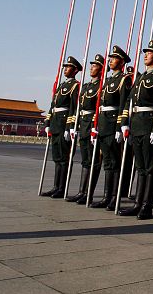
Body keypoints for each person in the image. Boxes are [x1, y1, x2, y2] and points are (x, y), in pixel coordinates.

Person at [118, 40, 153, 219]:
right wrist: (125, 122)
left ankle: (146, 205)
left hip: (149, 125)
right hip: (137, 125)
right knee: (140, 167)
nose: (145, 55)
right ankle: (137, 203)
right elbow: (130, 102)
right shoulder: (140, 78)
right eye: (145, 52)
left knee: (149, 167)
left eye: (149, 52)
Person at [90, 46, 132, 210]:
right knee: (107, 162)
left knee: (115, 162)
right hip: (103, 123)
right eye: (110, 58)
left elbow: (123, 105)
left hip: (113, 123)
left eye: (114, 58)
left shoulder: (124, 79)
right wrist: (96, 125)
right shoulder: (107, 81)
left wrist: (119, 127)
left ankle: (114, 197)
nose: (110, 61)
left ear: (121, 62)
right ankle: (107, 196)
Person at [40, 56, 81, 199]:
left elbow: (74, 108)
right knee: (57, 158)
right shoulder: (60, 86)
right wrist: (47, 123)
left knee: (64, 159)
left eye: (68, 67)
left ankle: (62, 189)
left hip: (64, 125)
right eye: (65, 67)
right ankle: (55, 186)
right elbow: (53, 106)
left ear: (75, 70)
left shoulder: (75, 86)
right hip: (56, 124)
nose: (65, 69)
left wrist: (70, 127)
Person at [67, 54, 103, 204]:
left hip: (93, 124)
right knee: (85, 160)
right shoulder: (87, 86)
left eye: (95, 66)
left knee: (94, 161)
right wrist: (74, 126)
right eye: (91, 65)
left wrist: (96, 127)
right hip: (83, 124)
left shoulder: (101, 86)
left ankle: (88, 192)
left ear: (101, 69)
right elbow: (79, 107)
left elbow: (100, 109)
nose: (91, 68)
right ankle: (82, 191)